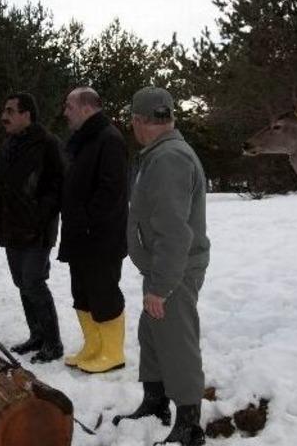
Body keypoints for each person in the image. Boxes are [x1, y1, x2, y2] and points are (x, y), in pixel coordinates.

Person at [113, 87, 210, 446]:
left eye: (133, 122)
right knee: (152, 334)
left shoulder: (170, 159)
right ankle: (155, 404)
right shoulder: (160, 153)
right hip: (161, 266)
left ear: (139, 122)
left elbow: (174, 230)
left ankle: (189, 423)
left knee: (177, 341)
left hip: (174, 270)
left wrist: (161, 286)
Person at [58, 87, 129, 374]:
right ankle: (93, 346)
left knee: (104, 292)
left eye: (69, 107)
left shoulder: (109, 139)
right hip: (80, 234)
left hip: (101, 237)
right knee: (82, 292)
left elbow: (111, 190)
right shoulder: (85, 140)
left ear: (86, 108)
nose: (65, 113)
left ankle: (112, 352)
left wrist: (87, 220)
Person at [0, 92, 65, 363]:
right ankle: (36, 336)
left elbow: (58, 186)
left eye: (10, 111)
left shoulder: (47, 143)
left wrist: (40, 216)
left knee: (34, 281)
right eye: (4, 110)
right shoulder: (10, 144)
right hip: (12, 227)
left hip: (38, 228)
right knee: (21, 282)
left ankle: (53, 343)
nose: (4, 116)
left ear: (27, 114)